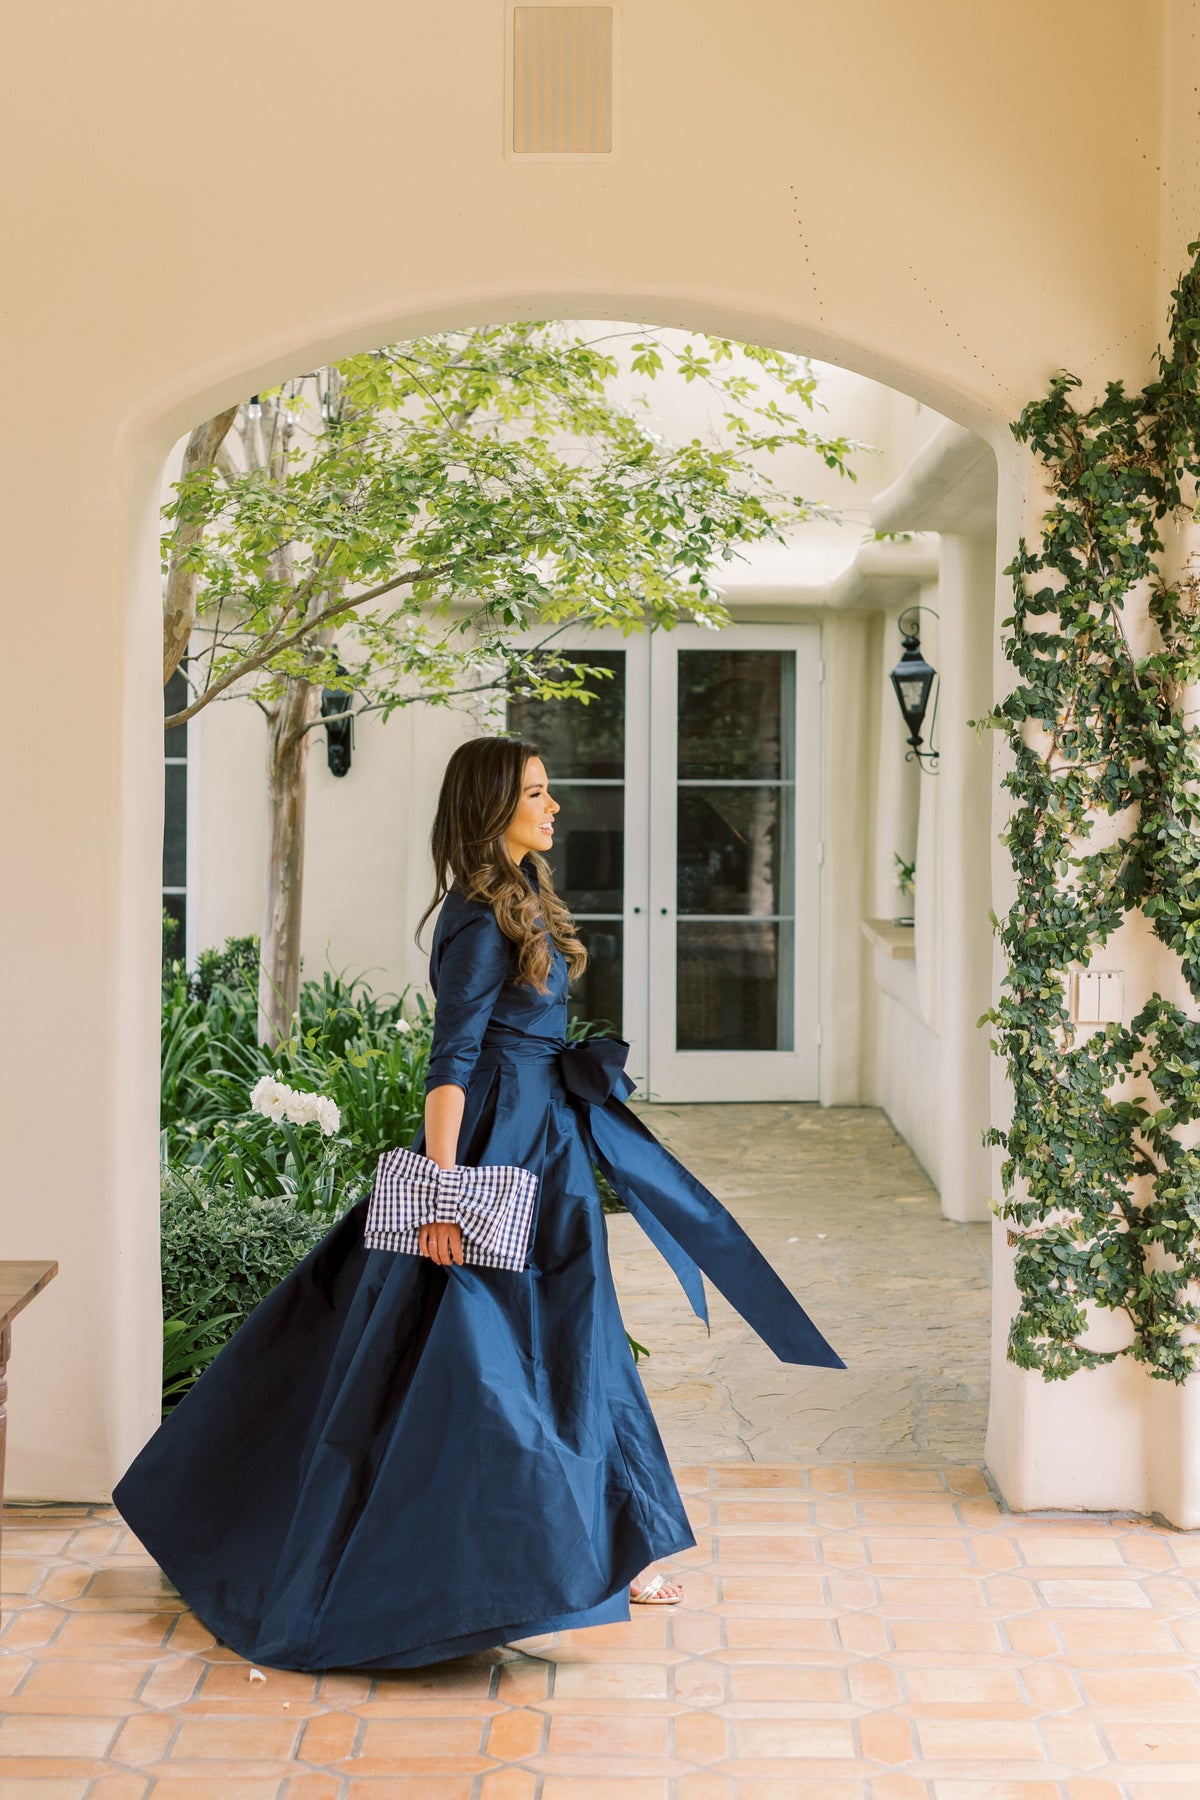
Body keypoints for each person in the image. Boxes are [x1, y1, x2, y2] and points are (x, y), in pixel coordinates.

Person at [114, 735, 843, 1671]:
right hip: (499, 1152)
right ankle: (521, 1562)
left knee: (574, 1339)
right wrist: (444, 1194)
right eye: (535, 793)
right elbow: (450, 1062)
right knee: (483, 1360)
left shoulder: (521, 894)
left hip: (547, 1146)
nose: (554, 806)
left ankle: (613, 1550)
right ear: (492, 807)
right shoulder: (476, 917)